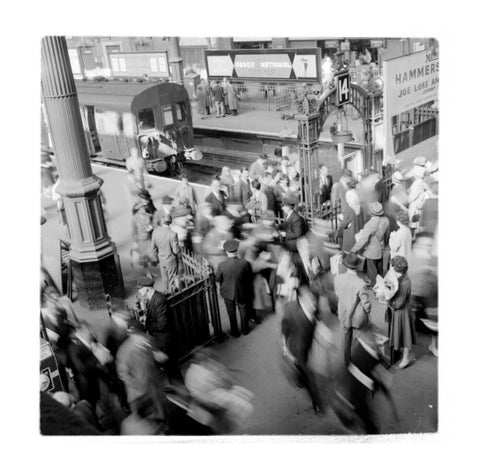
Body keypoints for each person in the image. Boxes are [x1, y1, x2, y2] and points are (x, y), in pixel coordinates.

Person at [331, 327, 397, 435]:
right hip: (360, 384)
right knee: (359, 406)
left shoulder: (364, 351)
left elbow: (368, 375)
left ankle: (371, 430)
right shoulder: (368, 351)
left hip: (359, 386)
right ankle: (365, 425)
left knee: (360, 408)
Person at [113, 312, 169, 432]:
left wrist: (155, 354)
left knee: (160, 415)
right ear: (133, 336)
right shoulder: (124, 352)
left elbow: (151, 349)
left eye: (143, 335)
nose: (143, 339)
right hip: (139, 395)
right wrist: (138, 384)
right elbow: (122, 373)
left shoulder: (147, 341)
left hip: (153, 387)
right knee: (147, 423)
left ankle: (162, 428)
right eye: (140, 336)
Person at [281, 286, 324, 413]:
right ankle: (317, 403)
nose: (314, 305)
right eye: (310, 301)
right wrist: (284, 347)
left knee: (301, 370)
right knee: (309, 378)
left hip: (307, 346)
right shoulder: (291, 309)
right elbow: (284, 328)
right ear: (301, 300)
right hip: (296, 350)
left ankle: (299, 377)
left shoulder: (314, 307)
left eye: (314, 301)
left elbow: (316, 320)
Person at [136, 277, 182, 383]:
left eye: (140, 290)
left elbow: (163, 324)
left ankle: (180, 390)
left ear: (147, 289)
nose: (139, 293)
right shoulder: (152, 299)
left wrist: (148, 326)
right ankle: (176, 387)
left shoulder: (159, 300)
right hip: (161, 340)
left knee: (172, 369)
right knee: (169, 368)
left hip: (165, 341)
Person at [334, 252, 372, 366]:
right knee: (358, 338)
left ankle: (346, 360)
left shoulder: (337, 277)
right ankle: (357, 359)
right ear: (357, 266)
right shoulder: (360, 283)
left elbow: (337, 292)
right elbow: (366, 304)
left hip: (343, 313)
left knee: (345, 337)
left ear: (346, 265)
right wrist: (368, 311)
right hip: (356, 317)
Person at [215, 239, 254, 337]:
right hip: (242, 290)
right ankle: (245, 330)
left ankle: (235, 332)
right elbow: (250, 277)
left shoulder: (221, 265)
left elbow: (218, 279)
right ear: (237, 250)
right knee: (243, 309)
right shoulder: (245, 263)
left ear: (226, 251)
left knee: (231, 311)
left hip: (227, 292)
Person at [350, 201, 390, 286]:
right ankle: (382, 288)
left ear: (371, 212)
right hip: (380, 250)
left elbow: (363, 240)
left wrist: (353, 249)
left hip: (371, 253)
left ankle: (375, 292)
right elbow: (386, 236)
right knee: (380, 273)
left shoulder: (370, 224)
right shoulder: (386, 220)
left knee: (373, 275)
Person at [386, 255, 415, 369]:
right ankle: (403, 354)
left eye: (394, 268)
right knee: (402, 332)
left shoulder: (404, 283)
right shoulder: (404, 277)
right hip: (403, 309)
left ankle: (406, 358)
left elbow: (398, 304)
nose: (392, 270)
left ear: (399, 270)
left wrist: (387, 300)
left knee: (405, 334)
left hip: (402, 311)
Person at [151, 216, 181, 292]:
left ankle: (166, 292)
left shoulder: (155, 232)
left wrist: (156, 258)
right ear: (170, 222)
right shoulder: (173, 234)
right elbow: (176, 251)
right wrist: (179, 246)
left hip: (162, 260)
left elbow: (153, 247)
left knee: (165, 280)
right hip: (171, 261)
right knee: (172, 280)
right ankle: (172, 294)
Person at [131, 202, 156, 279]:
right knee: (144, 258)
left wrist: (151, 227)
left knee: (151, 256)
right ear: (138, 210)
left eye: (144, 208)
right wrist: (136, 241)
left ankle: (150, 271)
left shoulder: (148, 216)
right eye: (142, 208)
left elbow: (152, 225)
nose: (144, 209)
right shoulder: (134, 219)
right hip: (140, 241)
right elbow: (134, 231)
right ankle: (148, 272)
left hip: (148, 240)